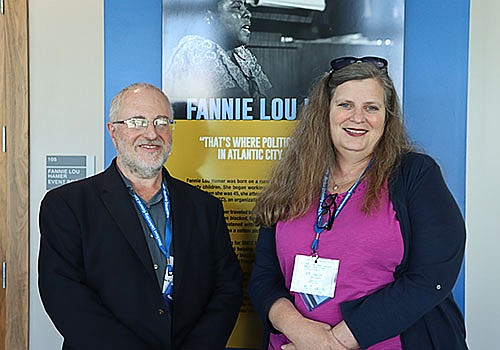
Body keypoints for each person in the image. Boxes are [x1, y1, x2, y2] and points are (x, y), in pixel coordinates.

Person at [247, 57, 468, 349]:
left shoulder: (415, 175)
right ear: (324, 112)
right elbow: (264, 277)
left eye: (371, 108)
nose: (357, 117)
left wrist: (332, 343)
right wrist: (298, 330)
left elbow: (431, 277)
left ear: (387, 117)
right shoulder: (293, 178)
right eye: (345, 105)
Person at [38, 82, 243, 350]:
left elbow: (227, 289)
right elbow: (64, 296)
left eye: (161, 122)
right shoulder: (68, 205)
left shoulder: (205, 207)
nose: (152, 134)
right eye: (137, 122)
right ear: (113, 132)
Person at [164, 0, 272, 104]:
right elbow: (232, 104)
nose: (248, 14)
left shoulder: (243, 55)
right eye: (237, 7)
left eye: (246, 7)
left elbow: (270, 99)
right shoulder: (196, 48)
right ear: (210, 16)